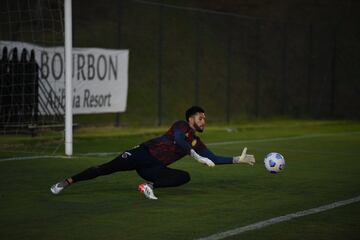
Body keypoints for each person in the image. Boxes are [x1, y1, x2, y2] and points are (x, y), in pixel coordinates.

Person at [50, 106, 255, 200]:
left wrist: (237, 159)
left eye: (205, 119)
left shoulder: (196, 141)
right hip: (143, 154)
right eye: (201, 117)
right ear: (191, 118)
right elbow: (180, 141)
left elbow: (213, 158)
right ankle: (67, 182)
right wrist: (196, 156)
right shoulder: (180, 125)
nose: (204, 121)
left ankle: (148, 186)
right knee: (105, 169)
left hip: (154, 168)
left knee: (184, 177)